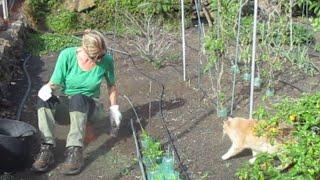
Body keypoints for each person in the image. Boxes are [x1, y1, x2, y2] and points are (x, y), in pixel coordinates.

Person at [31, 29, 122, 175]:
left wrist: (114, 108)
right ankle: (47, 148)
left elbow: (111, 85)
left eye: (101, 55)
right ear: (84, 49)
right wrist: (47, 88)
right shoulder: (67, 55)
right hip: (68, 104)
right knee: (44, 99)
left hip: (91, 108)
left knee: (78, 97)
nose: (100, 59)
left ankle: (75, 150)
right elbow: (55, 82)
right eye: (96, 57)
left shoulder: (107, 60)